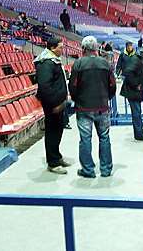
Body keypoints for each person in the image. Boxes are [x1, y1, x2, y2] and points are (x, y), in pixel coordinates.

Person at [69, 36, 116, 178]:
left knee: (85, 139)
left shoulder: (78, 64)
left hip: (84, 108)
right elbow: (112, 85)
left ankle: (88, 170)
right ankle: (106, 169)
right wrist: (106, 98)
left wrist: (78, 100)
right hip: (102, 107)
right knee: (104, 137)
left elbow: (72, 87)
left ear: (83, 49)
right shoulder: (105, 63)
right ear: (96, 48)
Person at [34, 36, 69, 174]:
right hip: (52, 105)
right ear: (52, 48)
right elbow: (44, 86)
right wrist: (55, 104)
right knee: (52, 132)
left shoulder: (52, 60)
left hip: (58, 103)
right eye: (60, 47)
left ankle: (57, 155)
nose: (62, 50)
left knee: (58, 130)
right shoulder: (46, 63)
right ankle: (52, 162)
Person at [120, 44, 143, 141]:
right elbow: (128, 72)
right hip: (132, 91)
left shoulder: (141, 60)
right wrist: (136, 85)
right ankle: (139, 134)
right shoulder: (137, 60)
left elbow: (138, 74)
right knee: (136, 113)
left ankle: (139, 133)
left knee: (137, 112)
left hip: (135, 91)